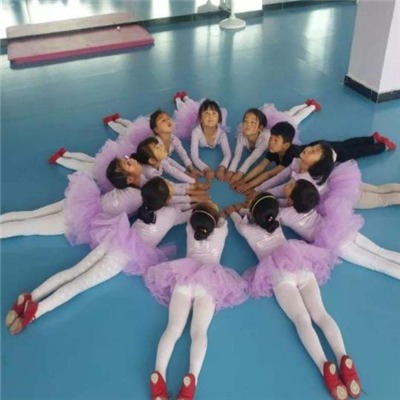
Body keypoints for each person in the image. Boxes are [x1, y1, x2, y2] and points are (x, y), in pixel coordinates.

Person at [5, 177, 190, 335]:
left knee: (73, 271)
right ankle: (37, 311)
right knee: (81, 284)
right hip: (122, 256)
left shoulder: (146, 206)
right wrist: (200, 202)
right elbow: (187, 214)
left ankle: (31, 296)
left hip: (115, 238)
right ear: (167, 200)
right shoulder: (171, 214)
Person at [226, 194, 361, 400]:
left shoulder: (247, 230)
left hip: (280, 275)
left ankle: (325, 367)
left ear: (254, 215)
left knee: (301, 320)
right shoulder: (277, 220)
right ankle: (344, 357)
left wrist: (237, 210)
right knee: (321, 314)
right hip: (299, 263)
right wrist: (253, 207)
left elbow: (235, 216)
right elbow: (264, 211)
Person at [144, 203, 248, 400]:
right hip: (208, 283)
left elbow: (199, 217)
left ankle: (158, 374)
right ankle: (191, 380)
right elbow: (221, 218)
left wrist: (205, 207)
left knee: (172, 329)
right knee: (199, 332)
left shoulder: (189, 229)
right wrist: (217, 209)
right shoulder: (222, 230)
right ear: (214, 222)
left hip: (184, 278)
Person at [235, 121, 397, 197]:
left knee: (351, 151)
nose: (270, 142)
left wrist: (252, 187)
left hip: (326, 153)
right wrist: (244, 180)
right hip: (315, 147)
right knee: (345, 144)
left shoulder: (292, 157)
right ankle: (371, 138)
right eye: (271, 138)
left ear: (286, 145)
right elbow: (261, 168)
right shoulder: (274, 148)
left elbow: (272, 175)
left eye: (275, 140)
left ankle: (381, 146)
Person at [280, 177, 400, 279]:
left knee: (377, 263)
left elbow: (274, 212)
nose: (287, 184)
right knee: (380, 251)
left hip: (338, 244)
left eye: (290, 185)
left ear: (290, 200)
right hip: (341, 228)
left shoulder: (285, 215)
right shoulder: (308, 203)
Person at [0, 157, 143, 240]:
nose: (131, 159)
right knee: (29, 225)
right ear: (129, 179)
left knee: (31, 216)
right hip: (78, 216)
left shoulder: (135, 187)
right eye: (128, 161)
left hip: (82, 203)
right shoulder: (138, 195)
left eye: (128, 162)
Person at [172, 94, 231, 182]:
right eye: (206, 113)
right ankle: (178, 99)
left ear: (219, 119)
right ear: (200, 119)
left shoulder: (221, 134)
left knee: (192, 104)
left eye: (214, 113)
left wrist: (222, 167)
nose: (210, 116)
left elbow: (227, 154)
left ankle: (186, 97)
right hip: (189, 122)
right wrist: (205, 169)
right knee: (184, 109)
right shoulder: (196, 132)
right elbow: (194, 156)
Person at [225, 108, 269, 184]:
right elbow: (237, 155)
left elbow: (252, 158)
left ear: (260, 128)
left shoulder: (265, 140)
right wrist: (231, 170)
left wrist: (240, 172)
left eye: (252, 122)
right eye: (245, 121)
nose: (248, 125)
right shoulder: (241, 136)